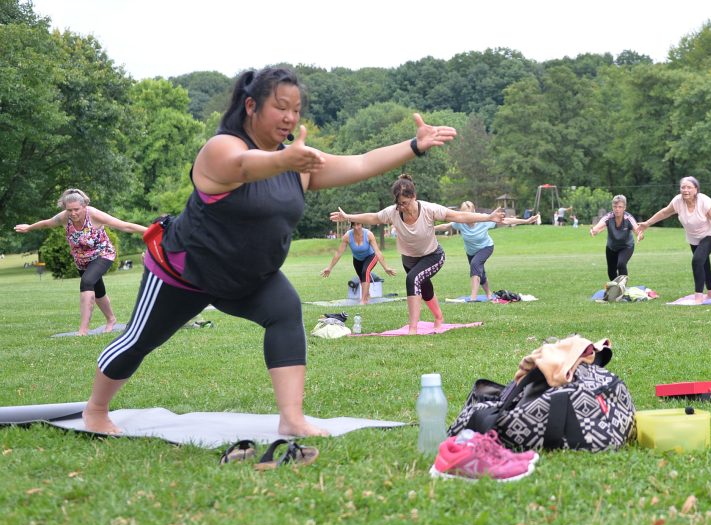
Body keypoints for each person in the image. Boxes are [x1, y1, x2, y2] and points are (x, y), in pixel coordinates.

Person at [81, 66, 458, 436]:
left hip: (251, 278)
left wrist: (414, 147)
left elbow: (358, 163)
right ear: (251, 106)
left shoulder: (297, 163)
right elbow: (243, 166)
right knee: (140, 340)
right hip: (185, 273)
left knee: (285, 312)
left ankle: (291, 418)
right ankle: (96, 409)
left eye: (296, 109)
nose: (290, 116)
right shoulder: (221, 149)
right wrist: (284, 159)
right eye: (281, 106)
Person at [330, 175, 504, 333]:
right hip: (409, 259)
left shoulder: (429, 209)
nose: (402, 207)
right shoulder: (393, 212)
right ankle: (439, 317)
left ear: (413, 197)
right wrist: (348, 216)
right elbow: (374, 217)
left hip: (433, 256)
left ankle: (413, 328)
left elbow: (459, 216)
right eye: (399, 203)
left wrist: (488, 217)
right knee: (424, 288)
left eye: (405, 203)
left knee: (412, 279)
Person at [14, 188, 147, 335]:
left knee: (87, 282)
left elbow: (124, 226)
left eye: (76, 209)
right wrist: (29, 227)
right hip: (81, 260)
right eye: (69, 210)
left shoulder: (94, 215)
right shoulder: (65, 217)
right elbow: (47, 223)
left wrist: (152, 230)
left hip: (103, 254)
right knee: (98, 291)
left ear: (84, 206)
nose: (73, 213)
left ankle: (83, 330)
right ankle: (111, 319)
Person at [637, 176, 711, 304]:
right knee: (704, 265)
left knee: (697, 261)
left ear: (696, 189)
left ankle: (698, 297)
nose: (685, 190)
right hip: (693, 238)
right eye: (683, 187)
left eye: (689, 187)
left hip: (710, 235)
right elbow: (664, 212)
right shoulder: (678, 201)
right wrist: (647, 223)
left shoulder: (704, 201)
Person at [434, 201, 537, 301]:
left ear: (474, 211)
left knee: (475, 264)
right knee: (480, 273)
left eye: (470, 214)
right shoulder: (460, 222)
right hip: (470, 252)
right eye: (465, 215)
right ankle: (489, 294)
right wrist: (431, 228)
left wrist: (526, 221)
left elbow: (505, 221)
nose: (468, 217)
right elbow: (446, 226)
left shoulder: (484, 219)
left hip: (486, 247)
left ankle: (473, 298)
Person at [320, 222, 396, 304]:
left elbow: (377, 252)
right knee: (361, 277)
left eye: (358, 224)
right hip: (357, 259)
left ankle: (363, 300)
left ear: (362, 224)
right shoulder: (347, 236)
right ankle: (367, 295)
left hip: (371, 256)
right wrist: (329, 268)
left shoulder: (368, 234)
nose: (356, 227)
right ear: (351, 226)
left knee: (365, 271)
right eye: (354, 225)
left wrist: (386, 267)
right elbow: (339, 253)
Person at [589, 195, 643, 281]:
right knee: (611, 271)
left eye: (620, 207)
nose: (617, 209)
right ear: (612, 207)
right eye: (615, 207)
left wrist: (640, 236)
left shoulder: (628, 218)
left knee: (621, 264)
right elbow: (599, 226)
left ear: (624, 207)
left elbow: (638, 230)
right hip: (611, 247)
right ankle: (616, 289)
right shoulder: (608, 217)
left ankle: (623, 287)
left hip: (626, 247)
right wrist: (594, 231)